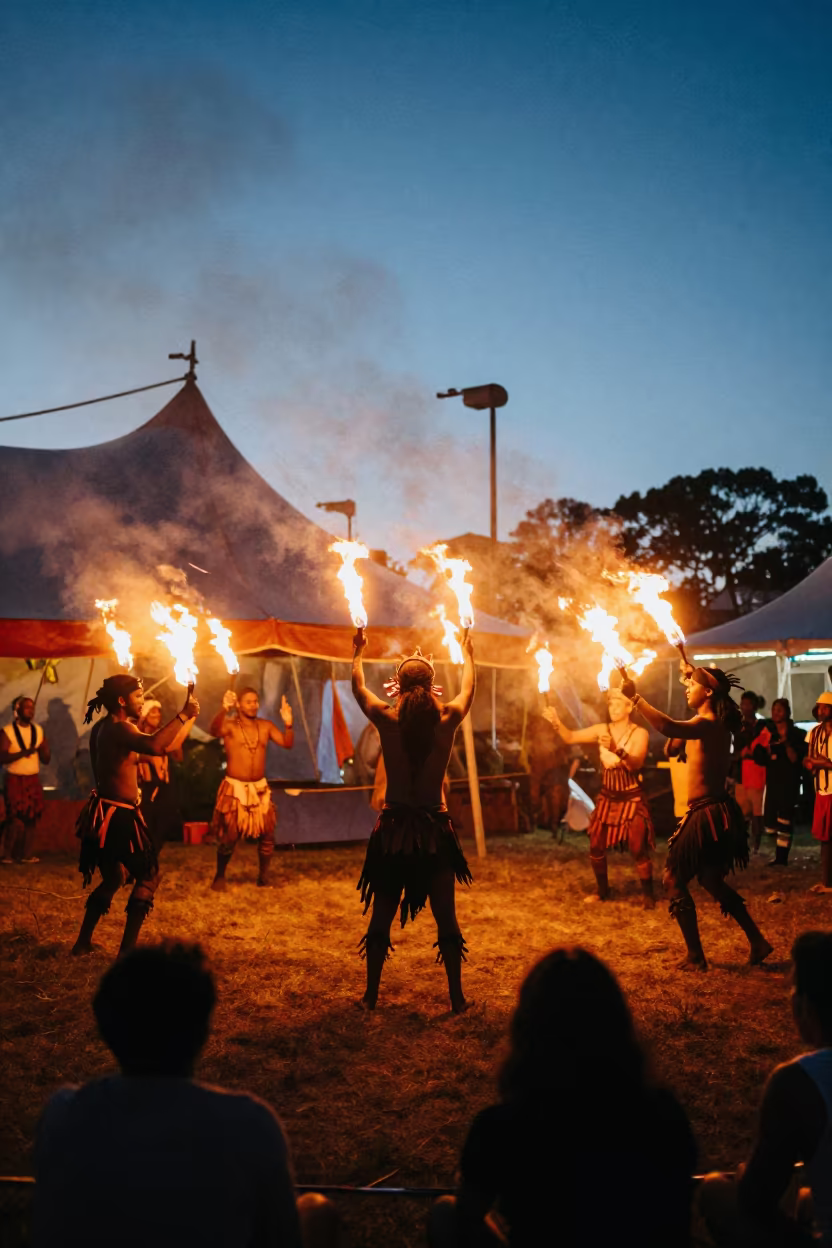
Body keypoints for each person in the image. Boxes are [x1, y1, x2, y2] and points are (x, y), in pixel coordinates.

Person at [32, 940, 338, 1248]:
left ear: (103, 1027)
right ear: (204, 1030)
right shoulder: (250, 1124)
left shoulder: (62, 1113)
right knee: (317, 1209)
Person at [428, 947, 696, 1247]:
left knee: (444, 1214)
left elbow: (468, 1212)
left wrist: (469, 1181)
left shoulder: (502, 1126)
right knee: (713, 1188)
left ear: (527, 1025)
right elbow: (677, 1216)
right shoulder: (663, 1112)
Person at [351, 633, 475, 1013]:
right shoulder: (449, 718)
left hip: (393, 832)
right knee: (446, 917)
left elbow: (357, 688)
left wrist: (356, 653)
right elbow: (469, 687)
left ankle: (371, 996)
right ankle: (456, 999)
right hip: (434, 832)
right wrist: (470, 654)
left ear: (398, 686)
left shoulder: (386, 720)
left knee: (382, 914)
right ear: (432, 685)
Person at [621, 664, 772, 971]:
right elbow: (673, 743)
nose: (686, 687)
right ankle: (757, 941)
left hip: (707, 814)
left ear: (709, 691)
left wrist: (636, 699)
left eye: (692, 684)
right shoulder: (706, 722)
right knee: (710, 879)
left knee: (673, 879)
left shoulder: (709, 722)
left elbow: (666, 726)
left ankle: (695, 956)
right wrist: (677, 735)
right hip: (718, 811)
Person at [700, 930, 832, 1248]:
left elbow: (755, 1200)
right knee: (806, 1199)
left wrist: (746, 1172)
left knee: (716, 1190)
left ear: (805, 1006)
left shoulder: (798, 1082)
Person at [71, 675, 199, 957]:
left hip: (103, 812)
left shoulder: (103, 729)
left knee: (114, 877)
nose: (142, 701)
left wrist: (186, 720)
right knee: (149, 875)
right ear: (121, 700)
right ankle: (127, 952)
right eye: (138, 696)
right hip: (117, 817)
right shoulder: (121, 729)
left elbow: (157, 748)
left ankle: (82, 943)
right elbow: (155, 746)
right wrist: (182, 714)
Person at [544, 687, 656, 907]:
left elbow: (636, 763)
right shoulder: (602, 729)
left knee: (637, 848)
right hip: (608, 797)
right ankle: (603, 891)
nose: (612, 707)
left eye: (618, 703)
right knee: (595, 845)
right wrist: (556, 721)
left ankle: (648, 895)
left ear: (629, 706)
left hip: (631, 797)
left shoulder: (640, 733)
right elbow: (570, 737)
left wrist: (614, 747)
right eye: (610, 703)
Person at [209, 687, 294, 890]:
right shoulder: (230, 726)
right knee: (230, 835)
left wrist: (289, 723)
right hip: (235, 788)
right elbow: (213, 731)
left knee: (267, 834)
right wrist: (223, 709)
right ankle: (219, 876)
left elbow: (287, 743)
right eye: (248, 701)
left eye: (256, 701)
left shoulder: (265, 726)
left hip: (259, 789)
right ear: (238, 704)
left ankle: (263, 877)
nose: (253, 705)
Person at [753, 698, 807, 867]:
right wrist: (766, 746)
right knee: (770, 820)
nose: (776, 713)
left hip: (789, 782)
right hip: (773, 781)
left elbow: (795, 759)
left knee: (785, 819)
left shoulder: (797, 734)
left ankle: (781, 857)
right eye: (774, 709)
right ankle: (778, 852)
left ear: (787, 713)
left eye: (780, 710)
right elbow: (759, 757)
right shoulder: (768, 733)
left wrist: (786, 744)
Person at [135, 698, 192, 854]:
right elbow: (155, 751)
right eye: (153, 711)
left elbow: (177, 754)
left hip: (163, 788)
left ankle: (150, 861)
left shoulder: (164, 734)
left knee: (162, 828)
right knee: (145, 829)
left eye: (159, 712)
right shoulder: (137, 736)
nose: (157, 714)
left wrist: (191, 717)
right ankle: (142, 866)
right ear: (144, 715)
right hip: (146, 789)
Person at [0, 694, 50, 864]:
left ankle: (26, 854)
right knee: (14, 818)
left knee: (32, 818)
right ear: (17, 711)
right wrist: (23, 752)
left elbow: (46, 758)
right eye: (27, 707)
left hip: (32, 779)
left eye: (32, 708)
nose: (31, 711)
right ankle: (7, 855)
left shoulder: (38, 731)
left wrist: (43, 750)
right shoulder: (7, 731)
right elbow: (2, 757)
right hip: (14, 779)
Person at [732, 691, 767, 853]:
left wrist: (751, 752)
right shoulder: (738, 727)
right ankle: (743, 844)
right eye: (742, 703)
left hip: (757, 773)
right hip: (741, 775)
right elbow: (735, 753)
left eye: (747, 704)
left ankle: (756, 845)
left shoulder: (762, 727)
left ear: (754, 706)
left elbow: (765, 751)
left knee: (757, 813)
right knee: (742, 813)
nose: (744, 707)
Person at [806, 693, 832, 893]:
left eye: (826, 707)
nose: (821, 711)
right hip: (822, 791)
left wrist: (822, 763)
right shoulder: (814, 733)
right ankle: (827, 882)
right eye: (820, 707)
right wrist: (813, 764)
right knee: (825, 838)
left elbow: (821, 761)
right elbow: (809, 760)